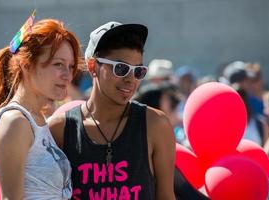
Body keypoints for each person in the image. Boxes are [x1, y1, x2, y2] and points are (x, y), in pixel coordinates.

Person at [48, 21, 176, 199]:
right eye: (121, 68)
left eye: (138, 71)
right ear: (93, 66)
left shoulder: (155, 125)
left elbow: (166, 196)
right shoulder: (59, 130)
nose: (131, 80)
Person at [0, 15, 82, 199]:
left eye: (71, 66)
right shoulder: (15, 122)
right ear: (27, 65)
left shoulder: (36, 118)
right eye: (58, 64)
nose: (68, 75)